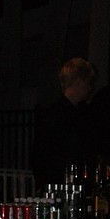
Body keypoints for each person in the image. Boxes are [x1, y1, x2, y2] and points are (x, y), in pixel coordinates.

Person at [31, 57, 98, 190]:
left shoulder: (79, 112)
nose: (90, 88)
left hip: (69, 182)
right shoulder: (57, 115)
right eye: (88, 83)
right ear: (79, 82)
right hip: (61, 184)